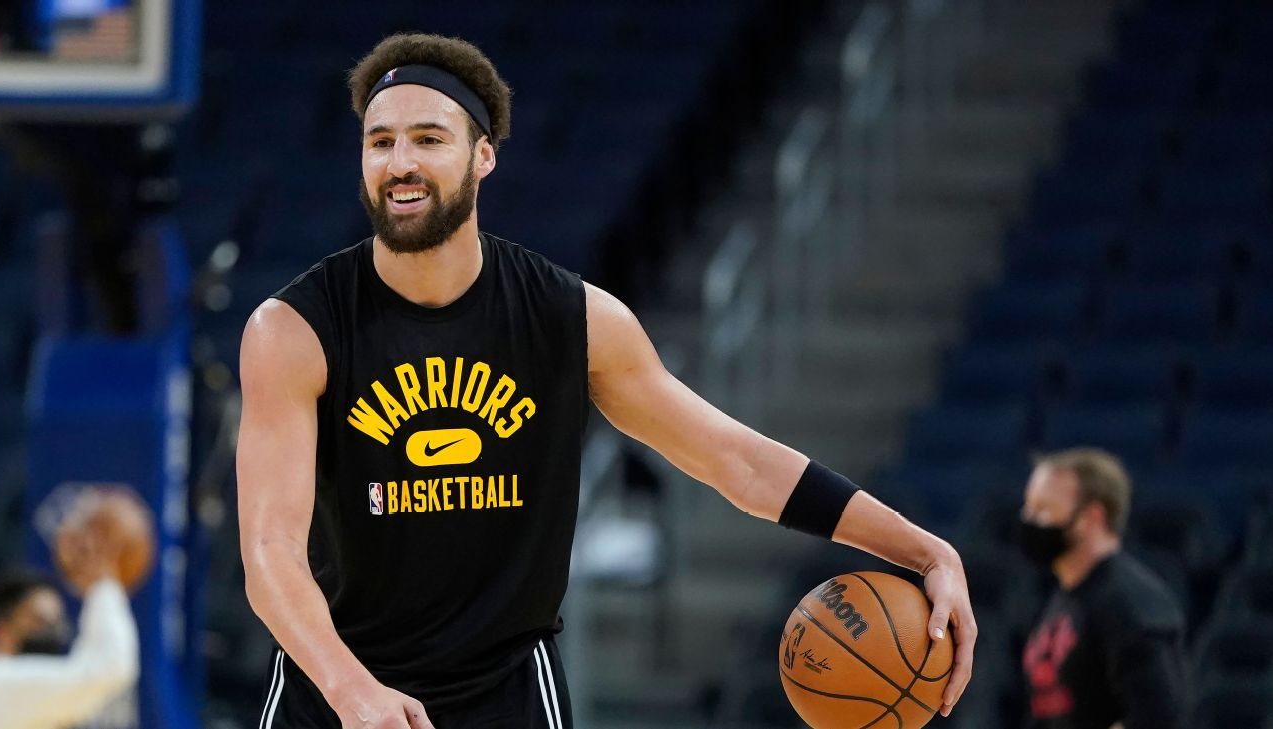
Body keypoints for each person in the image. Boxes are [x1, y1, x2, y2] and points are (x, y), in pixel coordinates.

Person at [236, 33, 977, 729]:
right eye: (380, 142)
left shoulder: (571, 316)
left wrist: (922, 551)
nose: (400, 161)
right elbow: (271, 552)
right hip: (333, 691)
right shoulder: (295, 330)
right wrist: (350, 688)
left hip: (507, 694)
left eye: (428, 138)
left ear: (482, 155)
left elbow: (737, 461)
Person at [1019, 448, 1189, 729]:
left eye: (1042, 509)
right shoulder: (1063, 599)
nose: (1028, 519)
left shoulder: (1132, 601)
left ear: (1092, 517)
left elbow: (1161, 717)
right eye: (1028, 507)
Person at [0, 488, 144, 729]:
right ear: (2, 631)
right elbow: (109, 668)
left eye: (55, 623)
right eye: (38, 621)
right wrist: (102, 583)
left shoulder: (41, 706)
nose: (51, 632)